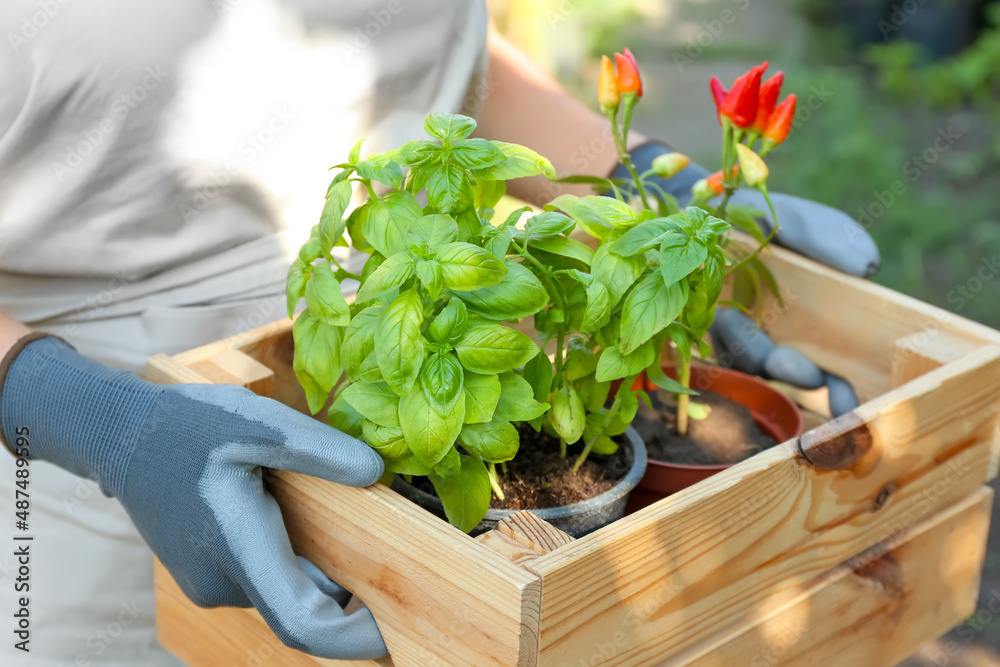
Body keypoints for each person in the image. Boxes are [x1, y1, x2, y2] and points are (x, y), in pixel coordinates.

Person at [0, 1, 878, 663]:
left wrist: (639, 190)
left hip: (423, 329)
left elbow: (432, 49)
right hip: (98, 455)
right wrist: (92, 420)